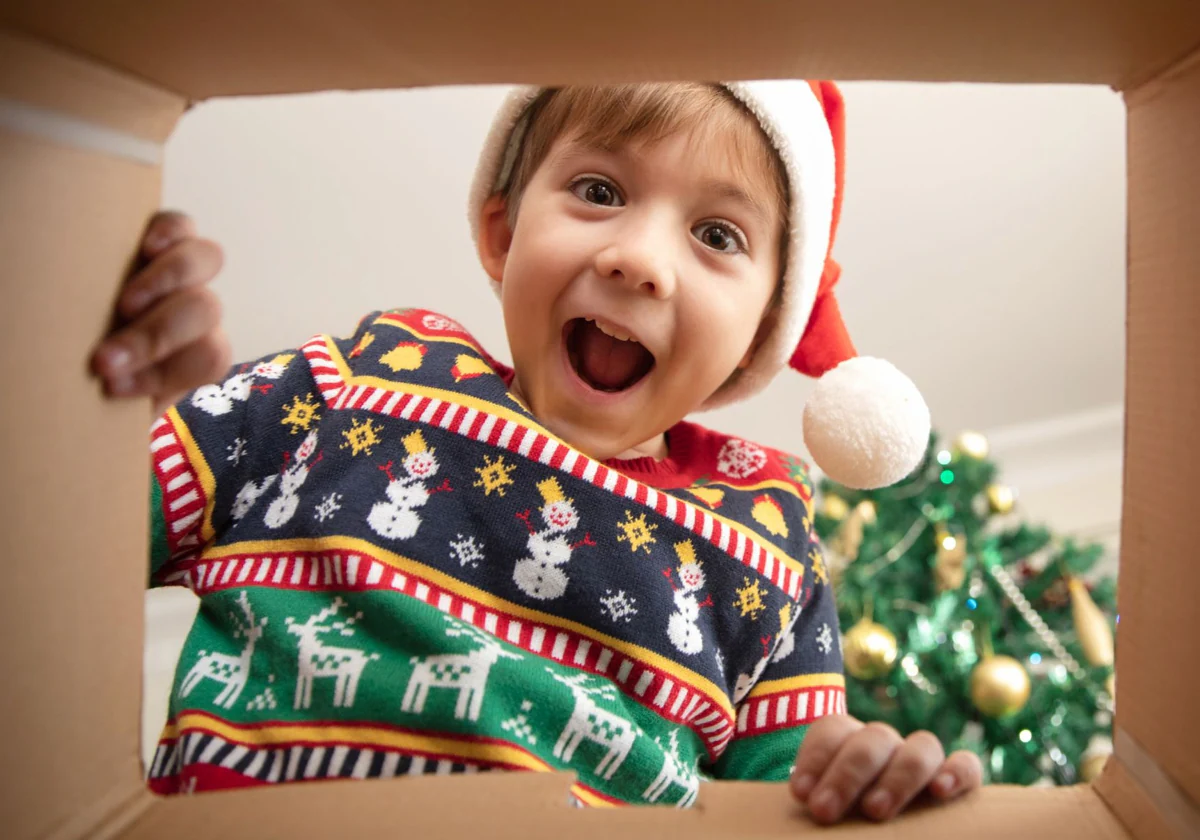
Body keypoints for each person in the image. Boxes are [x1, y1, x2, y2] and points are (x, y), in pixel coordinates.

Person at [92, 81, 982, 822]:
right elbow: (70, 525)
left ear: (758, 341)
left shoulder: (769, 533)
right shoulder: (362, 375)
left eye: (718, 236)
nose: (639, 259)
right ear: (502, 235)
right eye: (599, 191)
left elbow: (796, 793)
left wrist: (860, 772)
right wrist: (92, 361)